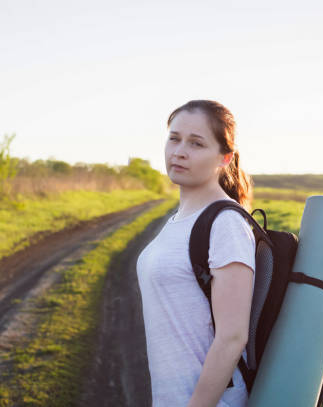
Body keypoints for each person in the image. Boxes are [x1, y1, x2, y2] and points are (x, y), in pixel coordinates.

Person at [136, 100, 256, 407]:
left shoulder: (226, 224)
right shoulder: (180, 219)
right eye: (174, 138)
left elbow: (232, 337)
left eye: (196, 143)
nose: (179, 151)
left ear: (224, 157)